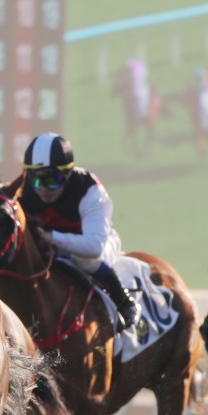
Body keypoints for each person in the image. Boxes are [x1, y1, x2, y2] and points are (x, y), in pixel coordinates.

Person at [18, 132, 140, 332]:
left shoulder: (90, 191)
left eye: (51, 180)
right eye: (36, 180)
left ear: (67, 174)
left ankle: (124, 302)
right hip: (52, 246)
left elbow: (94, 247)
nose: (43, 189)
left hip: (99, 245)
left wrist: (52, 238)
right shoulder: (25, 190)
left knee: (83, 258)